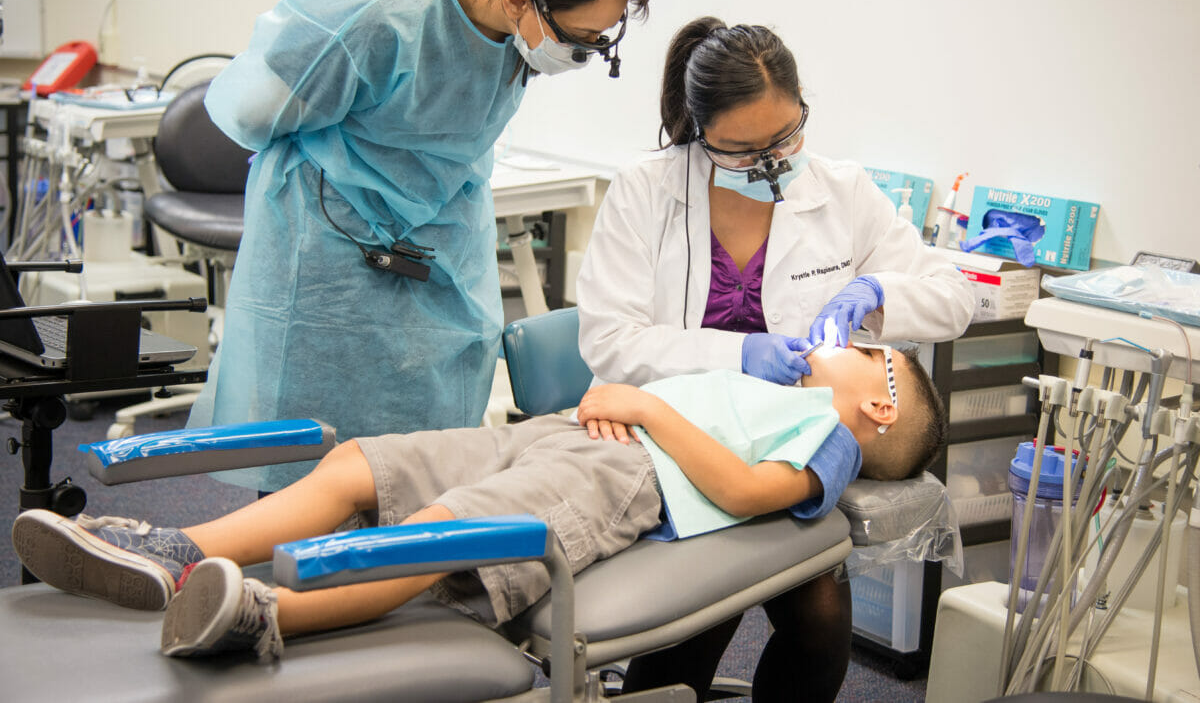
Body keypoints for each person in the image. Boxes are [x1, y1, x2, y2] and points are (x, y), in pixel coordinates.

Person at [12, 344, 944, 662]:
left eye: (871, 349)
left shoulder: (825, 437)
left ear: (879, 401)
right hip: (561, 433)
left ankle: (264, 615)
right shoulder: (784, 387)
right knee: (368, 464)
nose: (847, 342)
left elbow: (745, 490)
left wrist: (647, 405)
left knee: (440, 538)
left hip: (624, 477)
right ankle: (176, 547)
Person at [187, 0, 651, 492]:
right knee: (314, 438)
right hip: (330, 236)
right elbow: (253, 112)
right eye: (582, 39)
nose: (586, 52)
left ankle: (407, 562)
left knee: (434, 437)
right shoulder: (375, 6)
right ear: (517, 0)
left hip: (444, 231)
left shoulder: (518, 25)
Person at [573, 17, 976, 701]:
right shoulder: (647, 191)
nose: (768, 162)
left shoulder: (842, 192)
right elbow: (610, 341)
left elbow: (956, 296)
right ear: (698, 130)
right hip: (668, 440)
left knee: (822, 618)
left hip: (775, 451)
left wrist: (878, 289)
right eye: (740, 149)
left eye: (784, 138)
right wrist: (739, 352)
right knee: (700, 614)